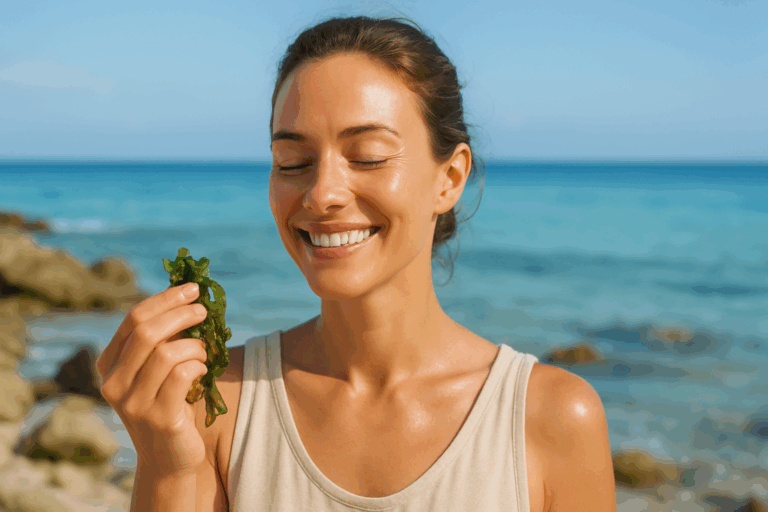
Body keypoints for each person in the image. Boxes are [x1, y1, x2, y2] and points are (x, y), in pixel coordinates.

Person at [96, 15, 616, 511]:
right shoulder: (216, 402)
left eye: (367, 155)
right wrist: (169, 468)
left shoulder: (550, 418)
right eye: (292, 163)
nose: (322, 193)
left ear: (450, 178)